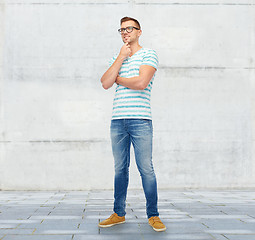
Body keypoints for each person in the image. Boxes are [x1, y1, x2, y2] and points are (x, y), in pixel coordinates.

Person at [98, 16, 166, 232]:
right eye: (121, 29)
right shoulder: (117, 57)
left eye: (129, 28)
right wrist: (120, 57)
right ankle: (119, 213)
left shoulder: (149, 54)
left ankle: (153, 215)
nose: (125, 32)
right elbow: (105, 82)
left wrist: (119, 79)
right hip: (118, 121)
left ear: (139, 31)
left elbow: (141, 82)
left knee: (146, 168)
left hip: (140, 119)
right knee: (120, 169)